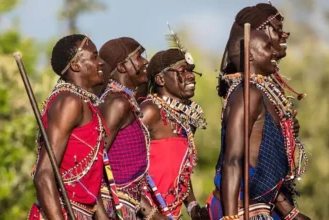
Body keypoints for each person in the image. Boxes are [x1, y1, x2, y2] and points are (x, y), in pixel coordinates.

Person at [207, 26, 310, 220]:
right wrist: (231, 217)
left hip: (261, 205)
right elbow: (233, 160)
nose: (274, 52)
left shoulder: (260, 93)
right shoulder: (247, 94)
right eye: (267, 47)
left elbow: (266, 165)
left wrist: (290, 213)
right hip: (242, 208)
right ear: (251, 57)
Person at [28, 34, 107, 220]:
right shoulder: (69, 102)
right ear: (75, 65)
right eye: (94, 56)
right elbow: (44, 174)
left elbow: (91, 191)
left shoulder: (86, 104)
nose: (101, 62)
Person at [96, 37, 167, 219]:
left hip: (125, 207)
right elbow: (95, 160)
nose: (145, 62)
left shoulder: (125, 101)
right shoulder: (117, 103)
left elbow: (127, 179)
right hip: (112, 209)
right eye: (138, 57)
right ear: (121, 67)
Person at [140, 47, 207, 219]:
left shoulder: (186, 119)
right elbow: (124, 171)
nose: (191, 76)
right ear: (161, 79)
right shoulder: (149, 111)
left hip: (171, 214)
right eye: (182, 71)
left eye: (191, 71)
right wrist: (153, 214)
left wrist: (192, 206)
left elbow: (180, 172)